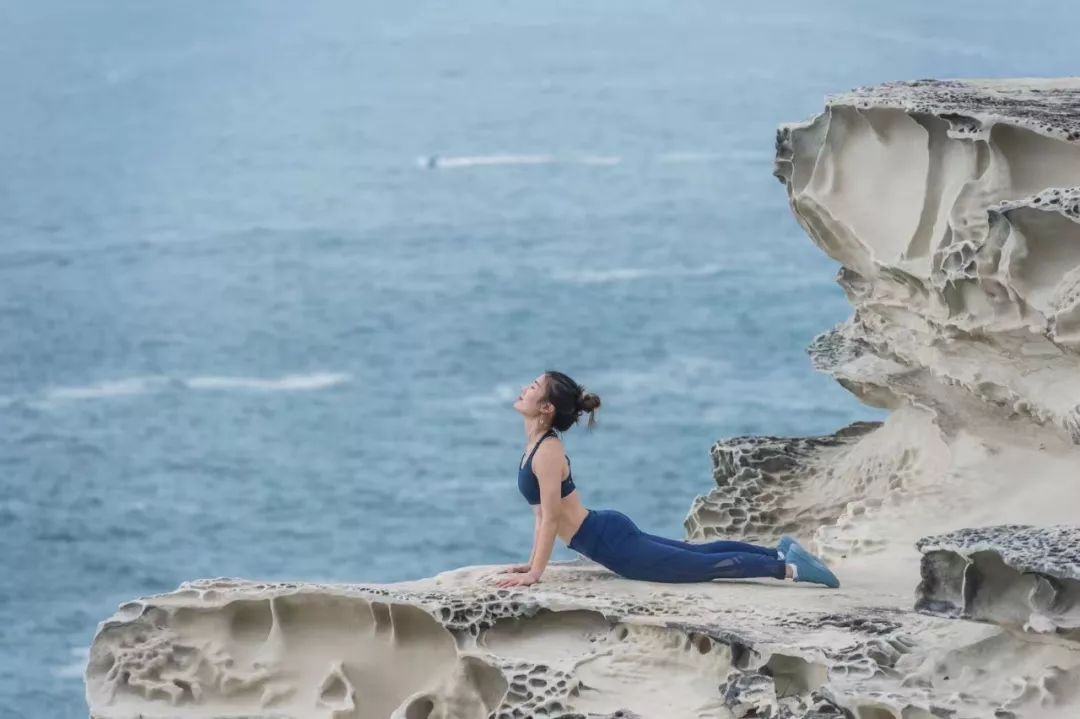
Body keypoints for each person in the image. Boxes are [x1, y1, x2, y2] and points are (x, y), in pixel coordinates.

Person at [494, 370, 840, 589]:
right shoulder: (536, 445)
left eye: (533, 387)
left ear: (546, 408)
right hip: (603, 533)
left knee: (702, 566)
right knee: (694, 553)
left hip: (609, 543)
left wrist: (535, 575)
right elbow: (542, 515)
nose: (525, 388)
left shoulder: (547, 451)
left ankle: (791, 568)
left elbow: (553, 517)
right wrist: (531, 562)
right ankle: (778, 551)